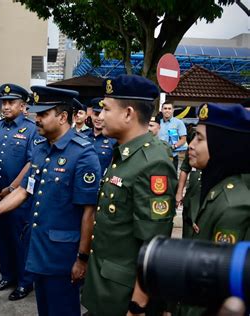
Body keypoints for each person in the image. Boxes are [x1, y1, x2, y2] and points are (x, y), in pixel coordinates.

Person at [0, 85, 101, 316]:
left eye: (43, 114)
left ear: (63, 117)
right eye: (36, 113)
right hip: (39, 249)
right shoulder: (42, 148)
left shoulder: (83, 154)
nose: (37, 119)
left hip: (63, 256)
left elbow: (89, 212)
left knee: (63, 309)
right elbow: (24, 191)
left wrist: (82, 259)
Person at [81, 75, 177, 316]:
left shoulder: (152, 163)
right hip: (106, 286)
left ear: (128, 114)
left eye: (106, 109)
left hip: (125, 298)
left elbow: (153, 246)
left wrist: (137, 306)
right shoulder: (124, 154)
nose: (99, 116)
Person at [177, 103, 250, 316]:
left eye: (200, 138)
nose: (191, 145)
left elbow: (223, 285)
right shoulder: (204, 184)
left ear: (222, 146)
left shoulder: (233, 205)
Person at [0, 83, 38, 301]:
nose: (6, 106)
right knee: (1, 236)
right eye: (4, 102)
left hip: (18, 196)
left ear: (23, 105)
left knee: (20, 239)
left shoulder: (31, 129)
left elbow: (31, 162)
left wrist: (11, 188)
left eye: (11, 102)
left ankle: (25, 281)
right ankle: (7, 275)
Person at [88, 97, 116, 174]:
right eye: (96, 114)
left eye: (102, 114)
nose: (99, 118)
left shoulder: (114, 140)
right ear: (91, 114)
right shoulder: (81, 136)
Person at [159, 102, 187, 169]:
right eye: (165, 108)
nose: (167, 110)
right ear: (162, 110)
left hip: (172, 156)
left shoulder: (179, 123)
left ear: (173, 110)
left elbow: (183, 139)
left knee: (171, 178)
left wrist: (174, 146)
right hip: (158, 155)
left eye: (169, 108)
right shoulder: (158, 122)